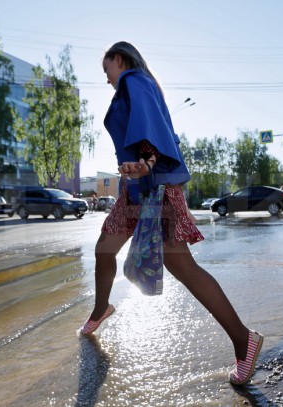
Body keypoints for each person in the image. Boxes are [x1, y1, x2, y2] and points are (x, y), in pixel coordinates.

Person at [79, 41, 263, 386]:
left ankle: (243, 340)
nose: (107, 80)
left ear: (120, 60)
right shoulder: (138, 86)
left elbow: (150, 135)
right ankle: (100, 309)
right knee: (105, 249)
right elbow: (147, 132)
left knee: (180, 264)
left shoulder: (134, 80)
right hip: (135, 188)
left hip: (154, 188)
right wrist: (140, 167)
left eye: (107, 70)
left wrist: (146, 163)